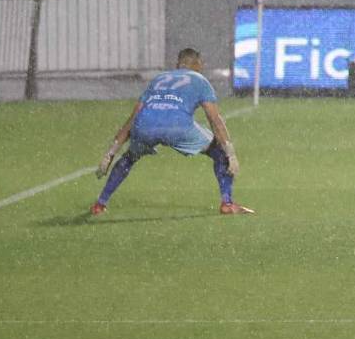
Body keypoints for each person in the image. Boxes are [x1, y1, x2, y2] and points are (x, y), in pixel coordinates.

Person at [91, 47, 254, 216]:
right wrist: (231, 154)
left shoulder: (159, 79)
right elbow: (215, 120)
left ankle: (100, 203)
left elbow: (133, 118)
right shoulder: (199, 80)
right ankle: (227, 203)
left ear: (178, 64)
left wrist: (110, 154)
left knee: (129, 157)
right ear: (197, 64)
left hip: (145, 125)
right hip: (177, 126)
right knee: (218, 151)